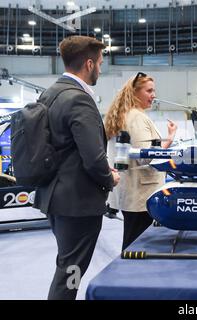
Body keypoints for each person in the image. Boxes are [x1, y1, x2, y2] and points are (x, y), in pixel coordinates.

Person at [33, 35, 120, 300]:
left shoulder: (49, 94)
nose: (101, 69)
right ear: (90, 64)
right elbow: (93, 158)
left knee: (67, 266)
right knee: (70, 272)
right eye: (101, 63)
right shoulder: (79, 99)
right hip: (77, 204)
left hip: (54, 199)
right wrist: (109, 179)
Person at [104, 72, 177, 251]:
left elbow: (142, 149)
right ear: (135, 93)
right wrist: (171, 141)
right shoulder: (136, 118)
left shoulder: (126, 115)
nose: (153, 95)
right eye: (149, 91)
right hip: (140, 193)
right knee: (135, 245)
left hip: (133, 191)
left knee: (133, 242)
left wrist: (167, 139)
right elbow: (147, 155)